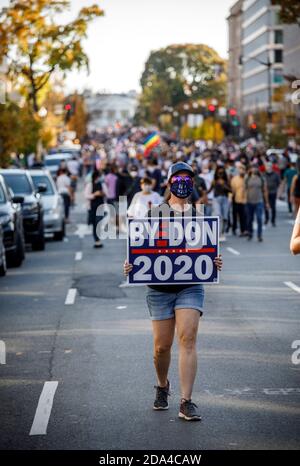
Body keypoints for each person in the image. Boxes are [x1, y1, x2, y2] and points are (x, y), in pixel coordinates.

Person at [123, 162, 223, 421]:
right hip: (159, 290)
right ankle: (162, 384)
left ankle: (186, 401)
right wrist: (131, 264)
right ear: (168, 183)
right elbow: (141, 247)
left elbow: (204, 248)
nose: (183, 183)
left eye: (188, 179)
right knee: (162, 347)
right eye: (178, 178)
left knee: (187, 340)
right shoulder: (155, 214)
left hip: (190, 286)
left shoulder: (199, 215)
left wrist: (213, 261)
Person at [245, 164, 269, 242]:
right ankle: (250, 233)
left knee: (259, 218)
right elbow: (244, 190)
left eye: (255, 167)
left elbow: (265, 191)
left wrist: (267, 202)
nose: (254, 169)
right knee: (249, 219)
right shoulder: (247, 178)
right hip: (249, 202)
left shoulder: (261, 179)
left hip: (259, 201)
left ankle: (259, 235)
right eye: (252, 167)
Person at [231, 164, 247, 236]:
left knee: (243, 216)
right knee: (235, 215)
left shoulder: (247, 178)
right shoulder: (235, 179)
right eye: (240, 169)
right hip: (236, 199)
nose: (242, 171)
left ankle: (243, 230)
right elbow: (232, 190)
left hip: (245, 200)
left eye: (243, 169)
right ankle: (234, 228)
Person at [90, 168, 105, 248]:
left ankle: (98, 239)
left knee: (98, 223)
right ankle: (96, 240)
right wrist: (94, 194)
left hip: (100, 206)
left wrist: (102, 193)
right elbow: (86, 195)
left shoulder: (102, 184)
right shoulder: (90, 185)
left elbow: (107, 193)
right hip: (92, 207)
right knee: (94, 224)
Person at [264, 161, 280, 227]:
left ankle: (273, 220)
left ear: (271, 167)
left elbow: (278, 182)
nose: (268, 168)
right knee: (266, 206)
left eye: (269, 166)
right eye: (267, 166)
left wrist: (277, 190)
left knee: (273, 207)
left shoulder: (276, 174)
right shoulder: (263, 174)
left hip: (273, 192)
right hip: (265, 193)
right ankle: (266, 219)